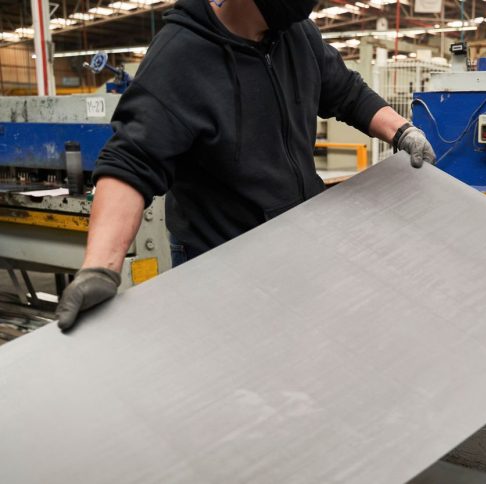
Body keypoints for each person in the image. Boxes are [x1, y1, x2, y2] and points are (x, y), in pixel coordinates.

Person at [55, 0, 436, 331]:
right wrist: (100, 267)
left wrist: (402, 131)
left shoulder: (295, 34)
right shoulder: (180, 57)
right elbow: (132, 162)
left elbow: (346, 92)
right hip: (220, 259)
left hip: (298, 240)